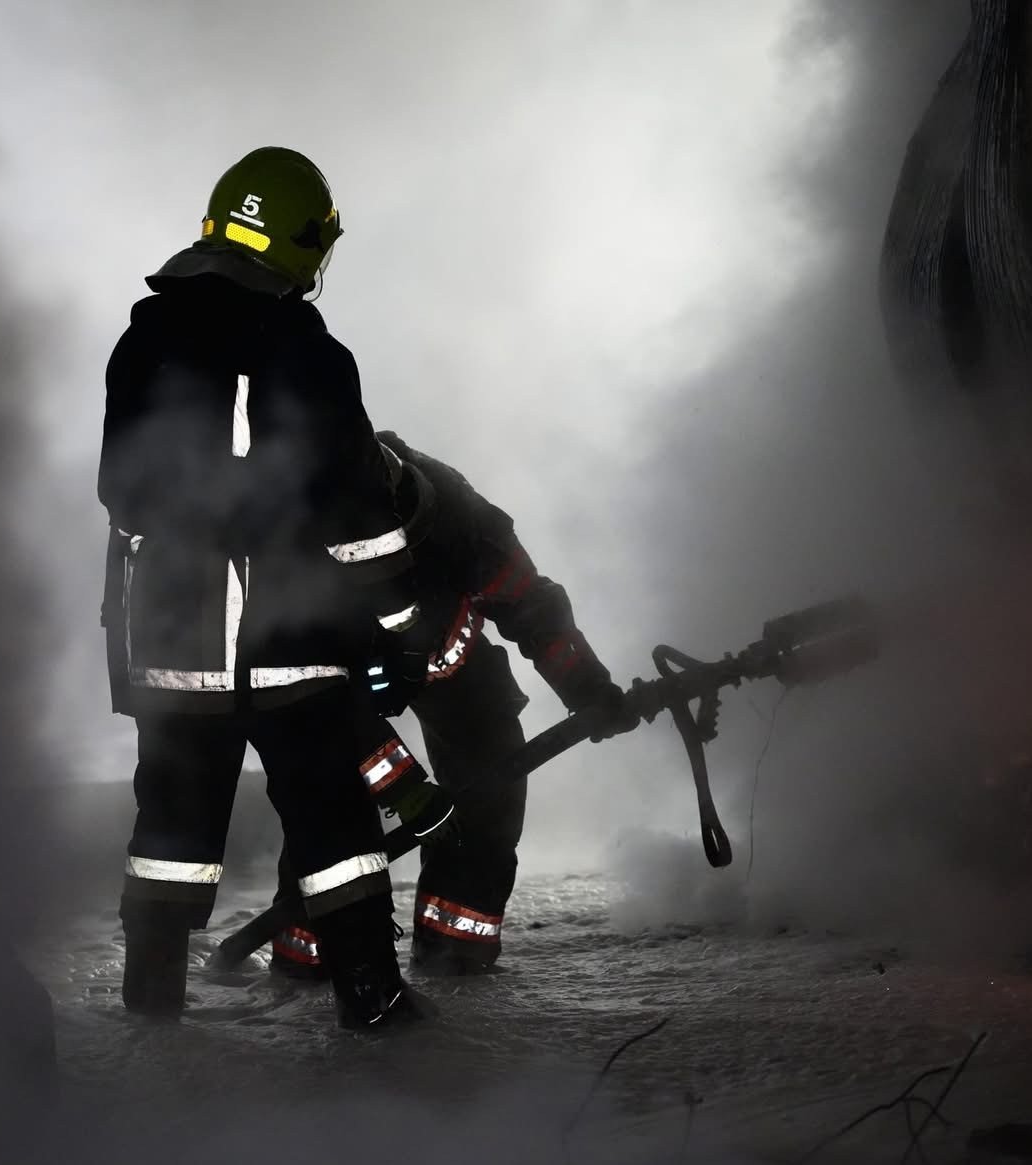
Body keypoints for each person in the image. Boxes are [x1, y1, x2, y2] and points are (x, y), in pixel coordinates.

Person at [98, 146, 453, 1029]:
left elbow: (120, 490)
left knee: (169, 832)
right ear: (302, 242)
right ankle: (373, 1002)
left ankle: (149, 1009)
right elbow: (359, 515)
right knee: (334, 827)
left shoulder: (143, 339)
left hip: (175, 643)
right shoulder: (309, 352)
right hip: (290, 643)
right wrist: (404, 627)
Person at [270, 430, 638, 978]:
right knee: (328, 799)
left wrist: (587, 687)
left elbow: (531, 607)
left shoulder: (463, 520)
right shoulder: (297, 547)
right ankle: (313, 956)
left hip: (449, 665)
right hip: (336, 684)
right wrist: (406, 790)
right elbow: (321, 709)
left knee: (490, 785)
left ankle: (454, 950)